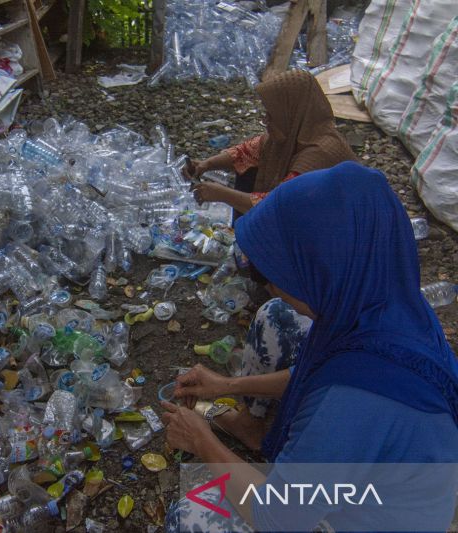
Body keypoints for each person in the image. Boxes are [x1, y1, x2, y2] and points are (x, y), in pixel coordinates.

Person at [162, 162, 458, 532]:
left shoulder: (351, 405)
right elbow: (313, 374)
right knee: (278, 318)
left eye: (276, 272)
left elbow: (275, 517)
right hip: (382, 471)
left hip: (368, 519)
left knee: (193, 515)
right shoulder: (387, 305)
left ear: (324, 267)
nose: (269, 285)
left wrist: (201, 441)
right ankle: (254, 430)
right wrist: (226, 386)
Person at [184, 70, 356, 214]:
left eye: (271, 115)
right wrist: (205, 165)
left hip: (335, 228)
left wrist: (223, 194)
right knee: (249, 168)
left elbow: (279, 205)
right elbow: (244, 153)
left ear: (291, 115)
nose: (266, 120)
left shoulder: (320, 152)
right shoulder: (289, 137)